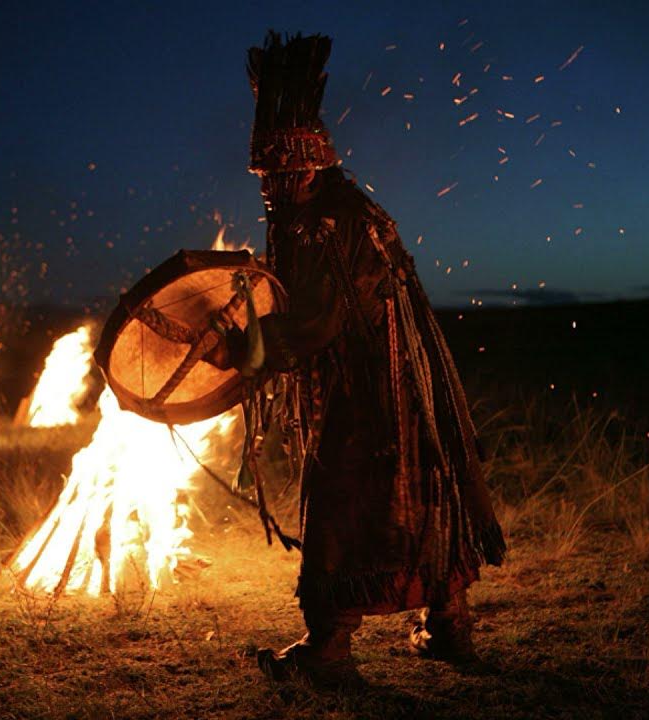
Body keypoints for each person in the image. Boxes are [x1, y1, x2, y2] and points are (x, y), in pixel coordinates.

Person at [208, 31, 507, 685]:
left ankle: (331, 648)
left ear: (307, 166)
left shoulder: (324, 224)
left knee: (348, 507)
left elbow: (312, 325)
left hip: (369, 393)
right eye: (266, 177)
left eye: (281, 175)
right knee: (424, 492)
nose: (273, 189)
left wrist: (241, 350)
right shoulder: (350, 207)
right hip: (405, 385)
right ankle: (450, 624)